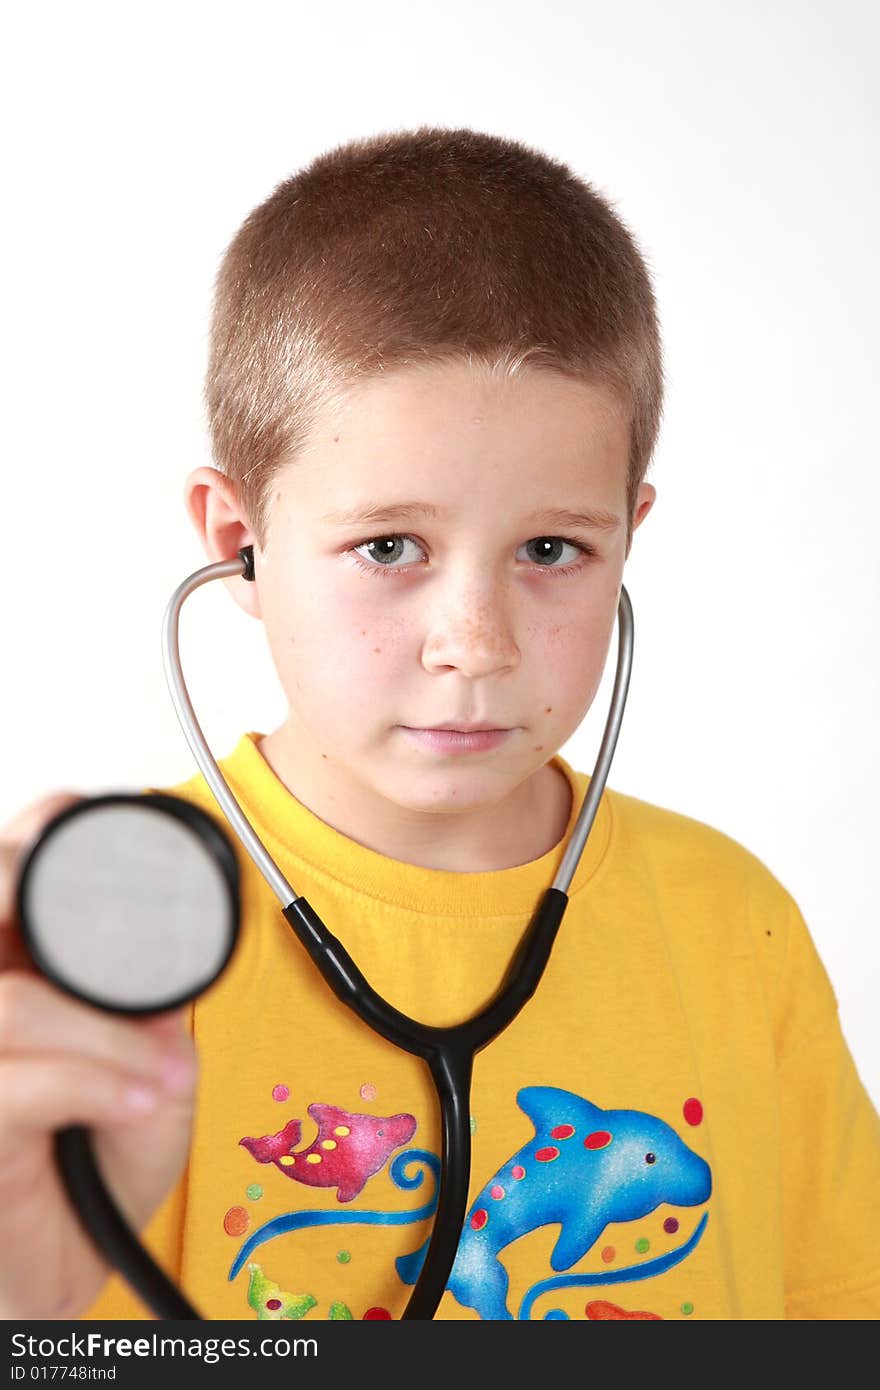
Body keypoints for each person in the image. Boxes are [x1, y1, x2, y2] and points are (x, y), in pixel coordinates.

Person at [1, 126, 878, 1324]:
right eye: (387, 547)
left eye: (551, 549)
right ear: (235, 544)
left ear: (631, 531)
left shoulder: (734, 924)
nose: (476, 640)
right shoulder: (102, 949)